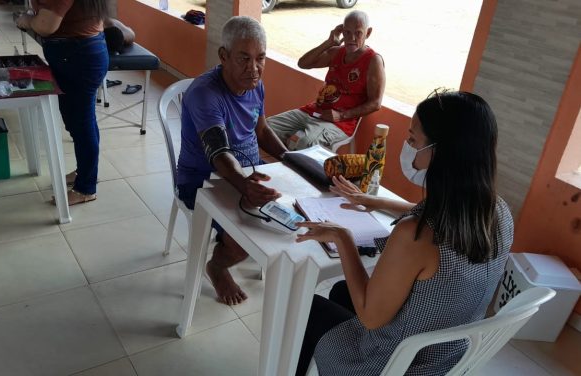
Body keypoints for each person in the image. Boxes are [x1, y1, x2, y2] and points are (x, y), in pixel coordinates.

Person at [294, 90, 514, 375]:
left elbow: (371, 318)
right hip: (447, 356)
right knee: (340, 291)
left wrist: (343, 238)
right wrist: (376, 201)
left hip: (397, 366)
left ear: (440, 151)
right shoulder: (497, 211)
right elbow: (431, 215)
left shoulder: (415, 235)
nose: (408, 145)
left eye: (413, 139)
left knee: (307, 308)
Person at [176, 16, 288, 305]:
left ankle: (231, 244)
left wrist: (289, 158)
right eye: (244, 58)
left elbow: (261, 130)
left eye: (260, 58)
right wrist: (244, 185)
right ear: (223, 56)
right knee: (248, 237)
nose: (254, 68)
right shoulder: (205, 94)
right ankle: (217, 264)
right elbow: (219, 153)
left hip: (251, 171)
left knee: (293, 217)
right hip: (202, 180)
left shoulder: (255, 85)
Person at [16, 1, 109, 205]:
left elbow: (46, 26)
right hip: (78, 53)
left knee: (81, 123)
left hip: (78, 56)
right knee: (80, 121)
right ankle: (85, 171)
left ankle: (86, 188)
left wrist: (27, 20)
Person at [267, 10, 385, 151]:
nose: (351, 38)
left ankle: (292, 166)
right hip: (314, 111)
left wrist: (341, 115)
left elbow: (376, 103)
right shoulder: (337, 52)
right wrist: (328, 42)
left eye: (358, 33)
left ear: (368, 32)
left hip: (340, 123)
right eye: (347, 32)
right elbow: (303, 63)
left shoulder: (373, 61)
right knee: (264, 128)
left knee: (302, 143)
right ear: (342, 30)